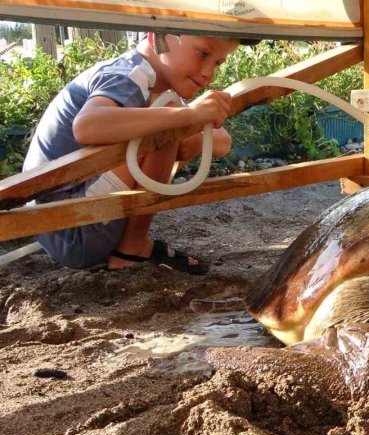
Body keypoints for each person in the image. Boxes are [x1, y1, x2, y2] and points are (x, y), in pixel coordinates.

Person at [23, 32, 247, 274]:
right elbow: (87, 125)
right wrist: (188, 117)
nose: (208, 73)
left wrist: (189, 126)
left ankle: (130, 243)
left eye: (217, 63)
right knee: (167, 126)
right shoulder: (130, 75)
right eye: (203, 53)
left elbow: (222, 143)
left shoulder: (157, 90)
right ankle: (131, 248)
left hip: (64, 225)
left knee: (171, 123)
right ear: (157, 37)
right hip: (71, 228)